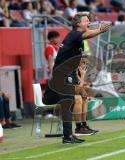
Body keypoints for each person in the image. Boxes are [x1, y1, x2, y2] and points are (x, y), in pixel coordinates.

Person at [43, 12, 111, 144]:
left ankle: (79, 128)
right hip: (63, 75)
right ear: (78, 24)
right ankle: (68, 136)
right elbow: (88, 34)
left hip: (67, 75)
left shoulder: (77, 38)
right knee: (68, 102)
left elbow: (86, 35)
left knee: (76, 97)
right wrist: (100, 30)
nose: (89, 22)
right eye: (86, 21)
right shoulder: (74, 34)